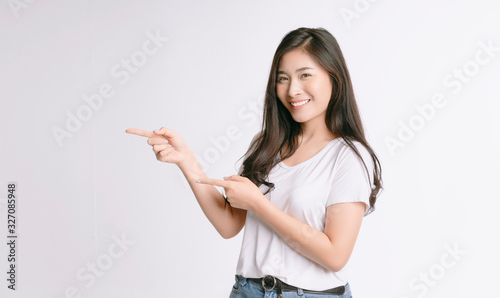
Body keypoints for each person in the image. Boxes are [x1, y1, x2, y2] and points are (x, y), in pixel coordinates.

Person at [126, 27, 383, 298]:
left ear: (334, 78)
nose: (293, 90)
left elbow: (335, 255)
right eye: (282, 78)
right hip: (248, 290)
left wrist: (258, 204)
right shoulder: (268, 144)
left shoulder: (349, 156)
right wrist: (187, 162)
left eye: (305, 75)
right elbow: (229, 225)